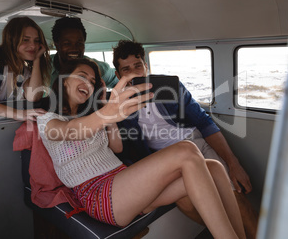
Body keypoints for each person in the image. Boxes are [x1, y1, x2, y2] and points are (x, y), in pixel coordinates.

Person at [37, 58, 246, 238]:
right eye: (82, 76)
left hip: (124, 187)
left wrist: (104, 110)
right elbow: (72, 130)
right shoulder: (47, 120)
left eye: (93, 81)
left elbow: (116, 147)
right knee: (186, 150)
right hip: (100, 196)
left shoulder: (92, 116)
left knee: (214, 168)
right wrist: (106, 113)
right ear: (63, 80)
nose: (88, 84)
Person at [112, 40, 258, 238]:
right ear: (118, 76)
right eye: (126, 69)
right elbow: (122, 145)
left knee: (237, 199)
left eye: (138, 66)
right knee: (185, 201)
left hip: (195, 143)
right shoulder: (117, 105)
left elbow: (204, 123)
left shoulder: (168, 86)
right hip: (165, 160)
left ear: (146, 66)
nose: (134, 73)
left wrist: (233, 163)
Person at [50, 17, 118, 88]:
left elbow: (121, 79)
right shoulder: (42, 68)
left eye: (79, 43)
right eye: (67, 44)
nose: (74, 49)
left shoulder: (97, 69)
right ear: (56, 45)